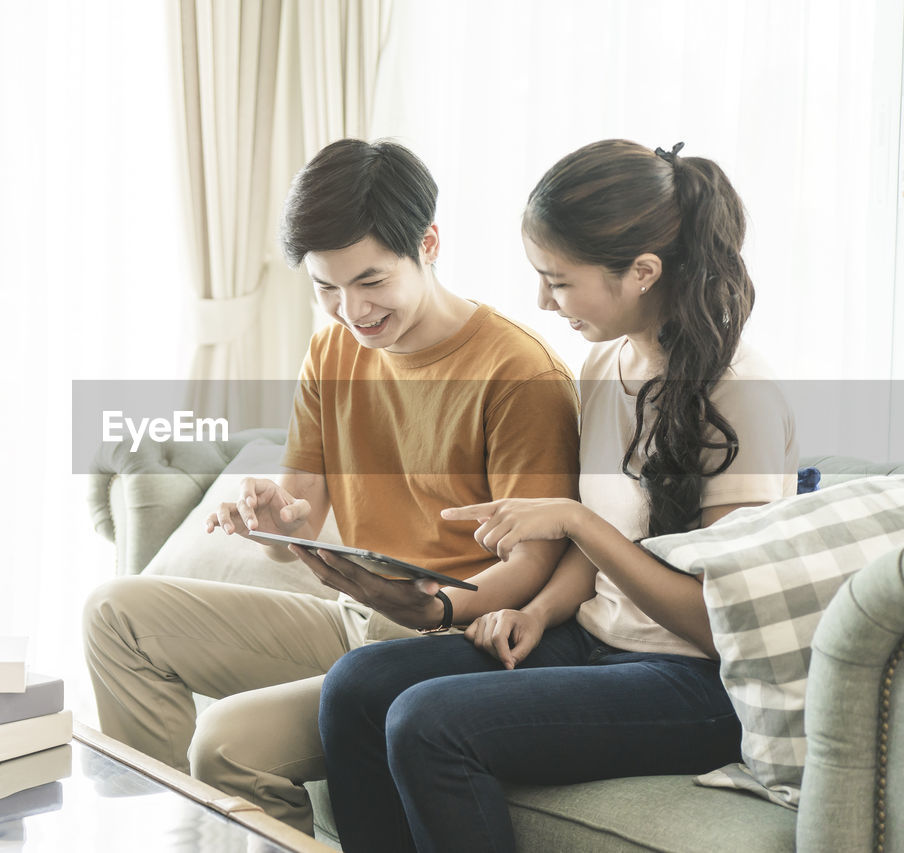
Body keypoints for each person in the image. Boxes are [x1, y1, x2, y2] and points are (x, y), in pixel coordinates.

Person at [82, 138, 581, 834]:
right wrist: (275, 517)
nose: (351, 309)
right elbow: (300, 519)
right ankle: (165, 837)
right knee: (115, 613)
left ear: (428, 244)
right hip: (362, 621)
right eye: (326, 287)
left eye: (371, 281)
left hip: (453, 644)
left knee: (225, 743)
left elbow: (534, 564)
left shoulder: (520, 374)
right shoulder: (334, 347)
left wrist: (433, 607)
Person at [318, 139, 800, 853]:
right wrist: (536, 611)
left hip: (699, 684)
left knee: (429, 722)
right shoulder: (606, 364)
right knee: (358, 683)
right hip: (599, 640)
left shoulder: (740, 395)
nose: (543, 300)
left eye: (560, 280)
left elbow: (716, 623)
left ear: (642, 272)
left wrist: (573, 520)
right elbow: (600, 550)